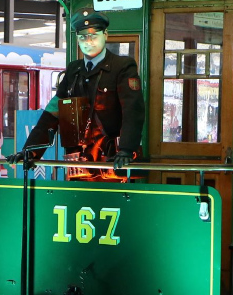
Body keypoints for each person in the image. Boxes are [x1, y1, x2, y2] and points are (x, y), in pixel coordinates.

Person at [9, 9, 145, 173]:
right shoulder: (74, 70)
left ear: (106, 34)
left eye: (94, 36)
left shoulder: (122, 67)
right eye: (83, 37)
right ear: (77, 40)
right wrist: (30, 152)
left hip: (112, 162)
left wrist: (126, 149)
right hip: (79, 164)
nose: (89, 41)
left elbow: (132, 110)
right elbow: (52, 112)